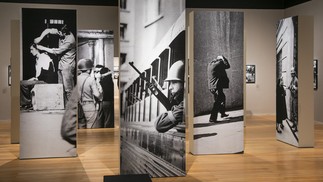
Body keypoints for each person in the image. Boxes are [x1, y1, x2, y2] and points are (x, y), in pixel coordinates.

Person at [34, 24, 76, 102]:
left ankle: (71, 109)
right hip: (61, 64)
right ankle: (63, 108)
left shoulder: (70, 40)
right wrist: (40, 37)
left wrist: (42, 48)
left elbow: (56, 51)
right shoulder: (61, 32)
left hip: (68, 66)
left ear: (65, 33)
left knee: (68, 89)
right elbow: (48, 30)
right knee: (61, 88)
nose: (58, 34)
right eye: (58, 32)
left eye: (60, 33)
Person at [20, 43, 56, 109]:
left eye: (32, 50)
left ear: (37, 49)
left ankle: (27, 103)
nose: (30, 52)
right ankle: (27, 103)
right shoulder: (38, 59)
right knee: (22, 82)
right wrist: (35, 78)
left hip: (45, 81)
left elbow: (46, 74)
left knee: (22, 84)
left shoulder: (44, 57)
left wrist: (35, 78)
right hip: (40, 79)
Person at [154, 60, 185, 133]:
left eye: (174, 82)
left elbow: (159, 125)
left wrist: (172, 109)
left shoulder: (184, 105)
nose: (170, 87)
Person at [77, 59, 103, 129]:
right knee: (91, 126)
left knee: (81, 127)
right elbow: (97, 94)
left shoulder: (76, 79)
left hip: (79, 106)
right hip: (89, 106)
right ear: (88, 70)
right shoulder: (91, 79)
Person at [207, 55, 230, 123]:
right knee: (217, 102)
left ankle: (222, 113)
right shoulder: (219, 63)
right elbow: (228, 66)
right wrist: (223, 58)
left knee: (222, 97)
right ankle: (212, 118)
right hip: (217, 86)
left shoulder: (210, 64)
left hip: (212, 86)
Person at [288, 67, 298, 132]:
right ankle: (294, 124)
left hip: (295, 98)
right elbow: (290, 86)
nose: (291, 74)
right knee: (292, 111)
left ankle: (296, 127)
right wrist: (289, 87)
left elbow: (298, 88)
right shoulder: (292, 80)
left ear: (294, 73)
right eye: (291, 73)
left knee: (295, 113)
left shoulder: (296, 80)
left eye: (292, 73)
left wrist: (295, 88)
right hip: (292, 97)